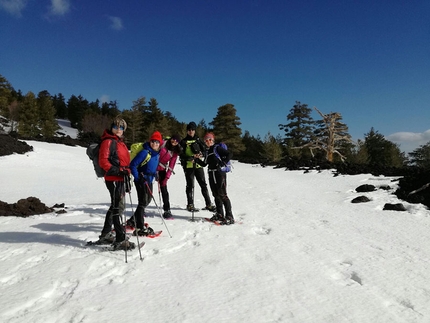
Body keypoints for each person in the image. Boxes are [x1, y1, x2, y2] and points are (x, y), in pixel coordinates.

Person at [98, 117, 134, 249]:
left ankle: (105, 234)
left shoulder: (119, 142)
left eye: (121, 127)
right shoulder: (108, 141)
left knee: (115, 205)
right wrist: (118, 171)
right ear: (111, 127)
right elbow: (103, 161)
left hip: (120, 178)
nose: (118, 129)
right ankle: (119, 237)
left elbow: (125, 162)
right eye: (116, 126)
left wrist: (126, 172)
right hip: (113, 178)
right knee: (116, 207)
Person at [127, 131, 162, 236]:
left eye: (157, 142)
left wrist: (156, 174)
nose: (154, 144)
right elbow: (132, 165)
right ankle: (139, 228)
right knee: (142, 202)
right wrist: (138, 178)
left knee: (148, 200)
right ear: (150, 141)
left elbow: (152, 166)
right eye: (153, 141)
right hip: (141, 181)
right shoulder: (145, 152)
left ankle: (133, 220)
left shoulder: (156, 154)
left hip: (149, 180)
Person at [196, 132, 235, 224]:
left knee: (222, 194)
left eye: (210, 139)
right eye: (206, 140)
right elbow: (205, 164)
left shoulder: (217, 148)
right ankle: (219, 214)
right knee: (215, 194)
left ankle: (229, 216)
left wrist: (222, 163)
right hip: (211, 173)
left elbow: (229, 154)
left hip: (219, 173)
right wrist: (196, 160)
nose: (208, 141)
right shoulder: (207, 151)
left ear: (213, 140)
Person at [179, 121, 215, 212]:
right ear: (187, 131)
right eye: (189, 130)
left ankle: (208, 204)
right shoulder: (183, 141)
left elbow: (205, 150)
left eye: (192, 129)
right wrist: (189, 158)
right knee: (190, 185)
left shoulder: (198, 140)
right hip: (188, 166)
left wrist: (200, 155)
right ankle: (190, 204)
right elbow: (181, 154)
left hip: (198, 165)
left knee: (203, 184)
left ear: (195, 130)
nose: (191, 131)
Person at [157, 134, 182, 219]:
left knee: (164, 190)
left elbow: (171, 166)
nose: (174, 141)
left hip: (162, 169)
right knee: (147, 189)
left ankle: (167, 210)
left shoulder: (174, 152)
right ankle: (141, 210)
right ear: (171, 138)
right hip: (152, 168)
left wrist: (166, 178)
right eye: (174, 139)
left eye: (177, 141)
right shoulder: (163, 143)